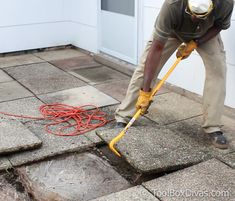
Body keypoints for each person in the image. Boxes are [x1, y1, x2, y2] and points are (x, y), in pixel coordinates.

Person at [114, 0, 234, 149]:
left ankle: (213, 126)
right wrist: (145, 92)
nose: (195, 19)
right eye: (192, 14)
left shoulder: (226, 3)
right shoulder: (172, 5)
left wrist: (196, 42)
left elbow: (218, 26)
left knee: (218, 70)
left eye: (200, 16)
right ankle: (124, 116)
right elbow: (157, 48)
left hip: (205, 33)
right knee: (145, 67)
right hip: (173, 31)